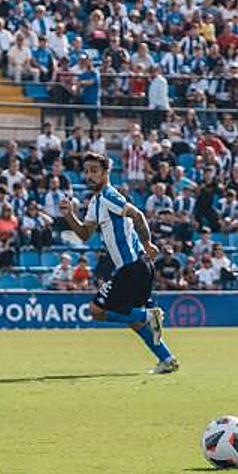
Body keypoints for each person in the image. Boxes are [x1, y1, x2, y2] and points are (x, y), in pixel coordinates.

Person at [59, 152, 179, 373]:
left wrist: (149, 242)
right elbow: (85, 234)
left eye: (94, 170)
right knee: (132, 320)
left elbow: (138, 215)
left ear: (106, 173)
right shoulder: (96, 202)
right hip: (138, 267)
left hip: (132, 267)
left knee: (96, 310)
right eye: (86, 171)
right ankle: (167, 358)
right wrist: (69, 215)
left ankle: (149, 315)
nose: (89, 175)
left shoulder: (108, 196)